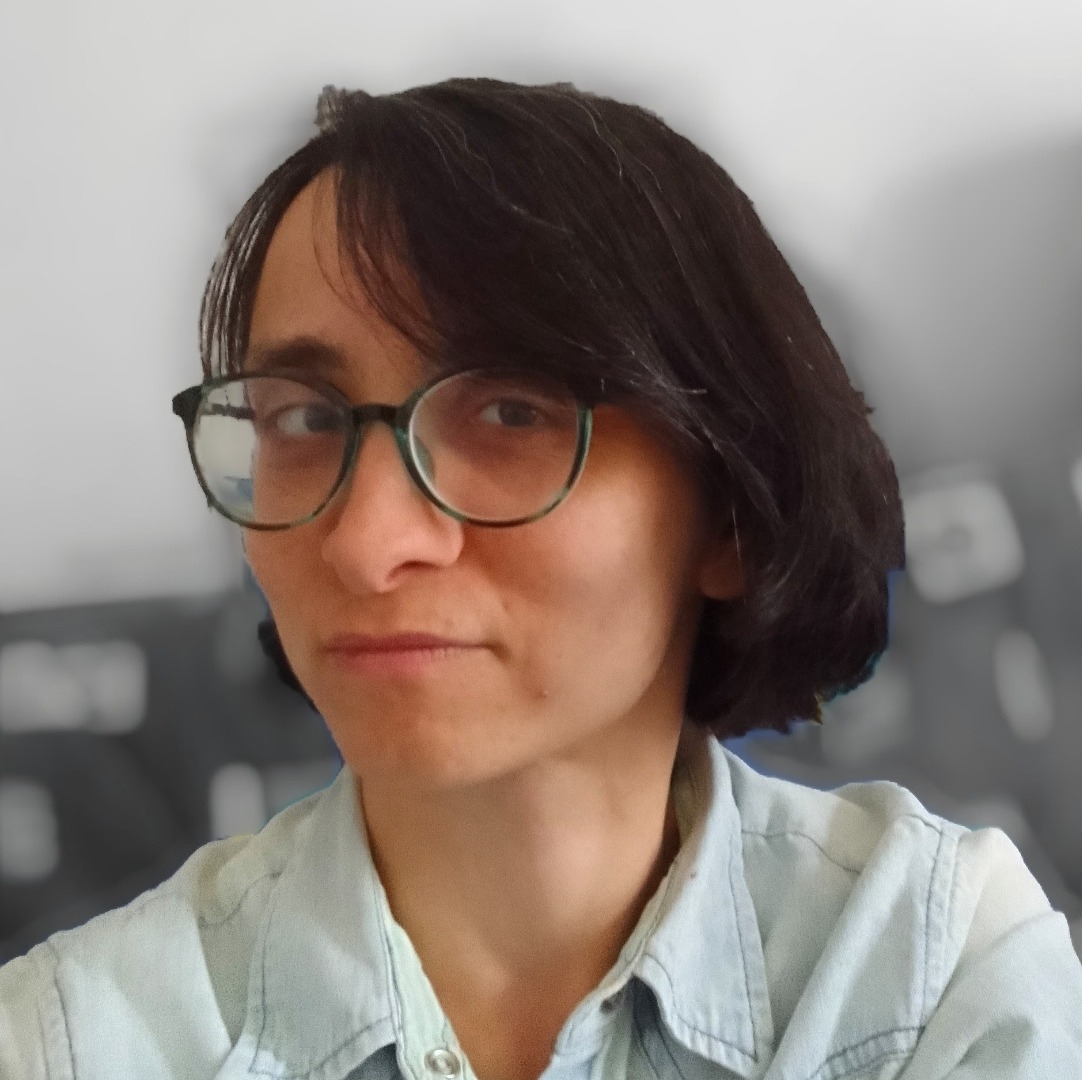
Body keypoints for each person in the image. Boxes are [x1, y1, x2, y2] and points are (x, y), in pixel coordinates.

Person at [2, 77, 1080, 1080]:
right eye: (301, 420)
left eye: (510, 413)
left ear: (728, 513)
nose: (364, 543)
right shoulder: (75, 1040)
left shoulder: (926, 973)